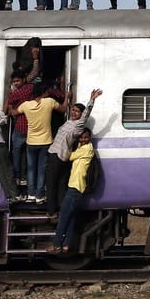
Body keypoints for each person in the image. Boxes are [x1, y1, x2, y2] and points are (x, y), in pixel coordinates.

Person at [47, 89, 102, 220]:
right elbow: (71, 110)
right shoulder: (69, 121)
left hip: (58, 154)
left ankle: (51, 210)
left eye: (77, 111)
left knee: (51, 183)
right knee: (61, 183)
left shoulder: (78, 126)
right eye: (73, 110)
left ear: (81, 114)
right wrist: (68, 98)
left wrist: (92, 100)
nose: (73, 112)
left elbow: (86, 114)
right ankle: (61, 209)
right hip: (57, 154)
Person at [17, 82, 70, 203]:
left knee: (31, 169)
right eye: (47, 91)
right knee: (41, 169)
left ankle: (31, 194)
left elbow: (14, 112)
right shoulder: (49, 102)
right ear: (43, 92)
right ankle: (39, 195)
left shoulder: (26, 105)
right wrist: (67, 96)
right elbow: (63, 109)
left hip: (31, 142)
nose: (48, 93)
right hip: (45, 142)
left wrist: (10, 107)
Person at [50, 128, 96, 254]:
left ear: (90, 138)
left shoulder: (87, 149)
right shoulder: (82, 147)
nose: (83, 139)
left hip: (75, 187)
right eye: (81, 137)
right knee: (71, 217)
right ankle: (66, 245)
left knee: (64, 216)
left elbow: (69, 156)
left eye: (86, 137)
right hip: (76, 186)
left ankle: (56, 245)